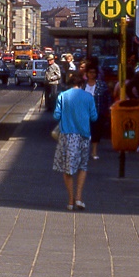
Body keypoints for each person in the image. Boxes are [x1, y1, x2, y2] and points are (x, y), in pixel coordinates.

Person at [53, 71, 98, 211]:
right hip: (84, 136)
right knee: (83, 166)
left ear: (70, 84)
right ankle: (79, 197)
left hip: (67, 136)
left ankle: (70, 200)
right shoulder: (89, 97)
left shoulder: (62, 96)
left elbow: (56, 115)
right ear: (82, 84)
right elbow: (94, 117)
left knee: (68, 169)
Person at [82, 59, 111, 161]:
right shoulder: (83, 85)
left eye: (94, 72)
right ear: (87, 74)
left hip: (97, 112)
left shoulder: (101, 85)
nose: (92, 74)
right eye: (90, 72)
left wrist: (107, 110)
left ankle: (94, 151)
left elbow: (107, 98)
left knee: (96, 132)